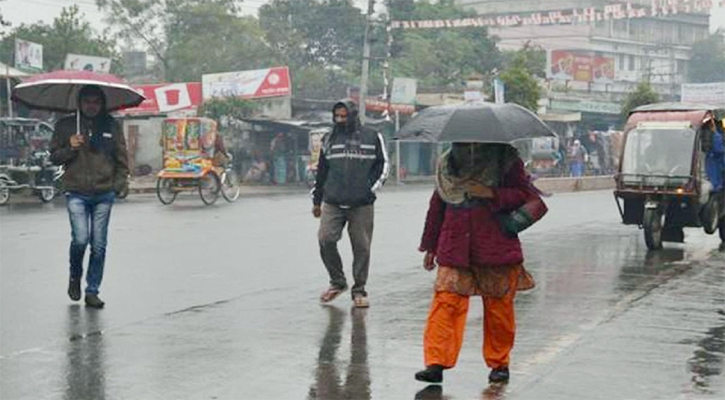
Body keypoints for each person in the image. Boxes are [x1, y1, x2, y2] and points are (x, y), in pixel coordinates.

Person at [414, 143, 546, 384]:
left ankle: (499, 363)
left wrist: (491, 193)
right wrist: (430, 246)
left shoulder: (505, 160)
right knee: (446, 302)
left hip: (494, 243)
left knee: (498, 308)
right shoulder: (448, 163)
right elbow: (438, 205)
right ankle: (436, 362)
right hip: (454, 244)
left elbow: (525, 196)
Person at [50, 85, 129, 309]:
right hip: (76, 191)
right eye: (87, 101)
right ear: (80, 103)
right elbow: (54, 157)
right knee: (81, 239)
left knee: (99, 245)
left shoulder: (111, 125)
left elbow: (122, 158)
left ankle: (92, 290)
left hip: (104, 193)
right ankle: (75, 275)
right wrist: (70, 146)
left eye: (96, 102)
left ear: (102, 104)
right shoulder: (66, 126)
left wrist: (119, 184)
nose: (91, 106)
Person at [311, 99, 389, 308]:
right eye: (337, 116)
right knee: (326, 239)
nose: (340, 120)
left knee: (361, 247)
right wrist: (317, 200)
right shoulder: (329, 139)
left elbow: (383, 167)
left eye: (344, 116)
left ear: (353, 115)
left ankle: (359, 290)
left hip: (361, 204)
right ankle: (337, 282)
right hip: (333, 201)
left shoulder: (372, 137)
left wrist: (368, 190)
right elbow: (322, 172)